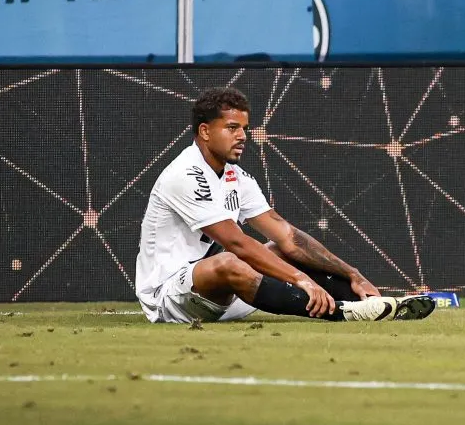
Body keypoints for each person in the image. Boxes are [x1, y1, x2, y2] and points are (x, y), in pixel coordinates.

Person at [135, 85, 436, 325]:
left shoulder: (235, 175)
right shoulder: (184, 174)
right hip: (171, 298)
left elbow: (287, 238)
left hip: (224, 297)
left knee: (279, 251)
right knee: (230, 261)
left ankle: (371, 303)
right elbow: (236, 243)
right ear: (204, 131)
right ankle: (340, 313)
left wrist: (352, 273)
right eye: (231, 128)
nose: (242, 136)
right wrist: (300, 279)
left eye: (244, 128)